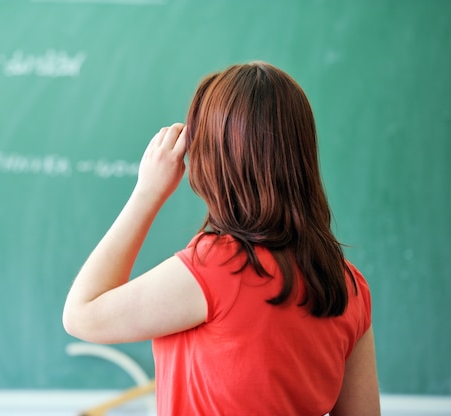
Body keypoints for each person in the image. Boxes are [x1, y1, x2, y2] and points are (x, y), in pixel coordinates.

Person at [63, 61, 380, 415]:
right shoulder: (349, 284)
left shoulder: (217, 266)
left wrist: (148, 192)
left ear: (213, 160)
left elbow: (81, 314)